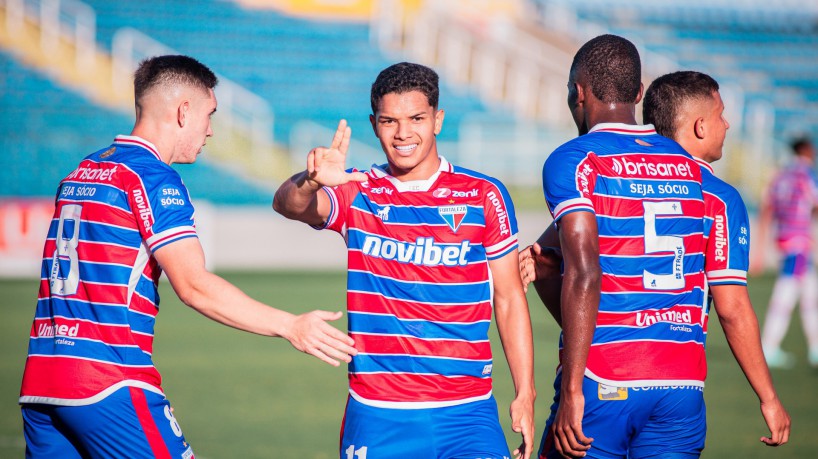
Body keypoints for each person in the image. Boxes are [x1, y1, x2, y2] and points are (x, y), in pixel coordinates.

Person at [19, 55, 357, 458]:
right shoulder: (153, 177)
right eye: (209, 115)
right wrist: (291, 325)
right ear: (183, 112)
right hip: (108, 380)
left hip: (41, 380)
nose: (210, 130)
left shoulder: (82, 171)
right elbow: (194, 285)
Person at [273, 62, 536, 459]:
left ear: (438, 119)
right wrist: (310, 180)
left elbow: (510, 298)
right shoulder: (357, 190)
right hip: (379, 414)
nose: (403, 133)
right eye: (389, 121)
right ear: (374, 123)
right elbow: (289, 205)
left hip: (468, 413)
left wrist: (525, 392)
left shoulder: (485, 194)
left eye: (416, 118)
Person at [524, 35, 711, 459]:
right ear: (639, 93)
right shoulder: (686, 165)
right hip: (683, 381)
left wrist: (572, 389)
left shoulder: (577, 159)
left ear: (578, 92)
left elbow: (588, 274)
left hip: (609, 373)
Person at [642, 70, 790, 445]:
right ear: (700, 126)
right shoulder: (719, 198)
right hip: (677, 383)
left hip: (605, 371)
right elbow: (731, 307)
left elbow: (558, 264)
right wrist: (769, 397)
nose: (728, 124)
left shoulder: (611, 179)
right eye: (721, 114)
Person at [753, 137, 818, 368]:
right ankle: (768, 346)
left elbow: (767, 210)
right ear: (807, 150)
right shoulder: (808, 175)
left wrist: (760, 251)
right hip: (799, 241)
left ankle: (814, 348)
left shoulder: (781, 175)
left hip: (784, 239)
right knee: (787, 295)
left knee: (810, 294)